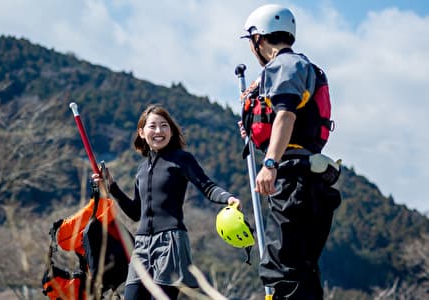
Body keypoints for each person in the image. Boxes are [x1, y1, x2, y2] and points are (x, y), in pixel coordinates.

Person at [239, 4, 342, 300]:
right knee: (301, 267)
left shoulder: (284, 66)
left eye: (250, 42)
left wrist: (269, 163)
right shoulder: (301, 66)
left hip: (293, 179)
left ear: (258, 39)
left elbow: (285, 115)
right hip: (309, 176)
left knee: (283, 268)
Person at [93, 104, 241, 300]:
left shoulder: (182, 159)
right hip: (142, 245)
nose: (159, 131)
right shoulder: (141, 169)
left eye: (164, 126)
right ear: (142, 132)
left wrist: (227, 198)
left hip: (171, 243)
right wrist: (112, 188)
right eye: (152, 126)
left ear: (171, 131)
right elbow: (136, 213)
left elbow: (207, 186)